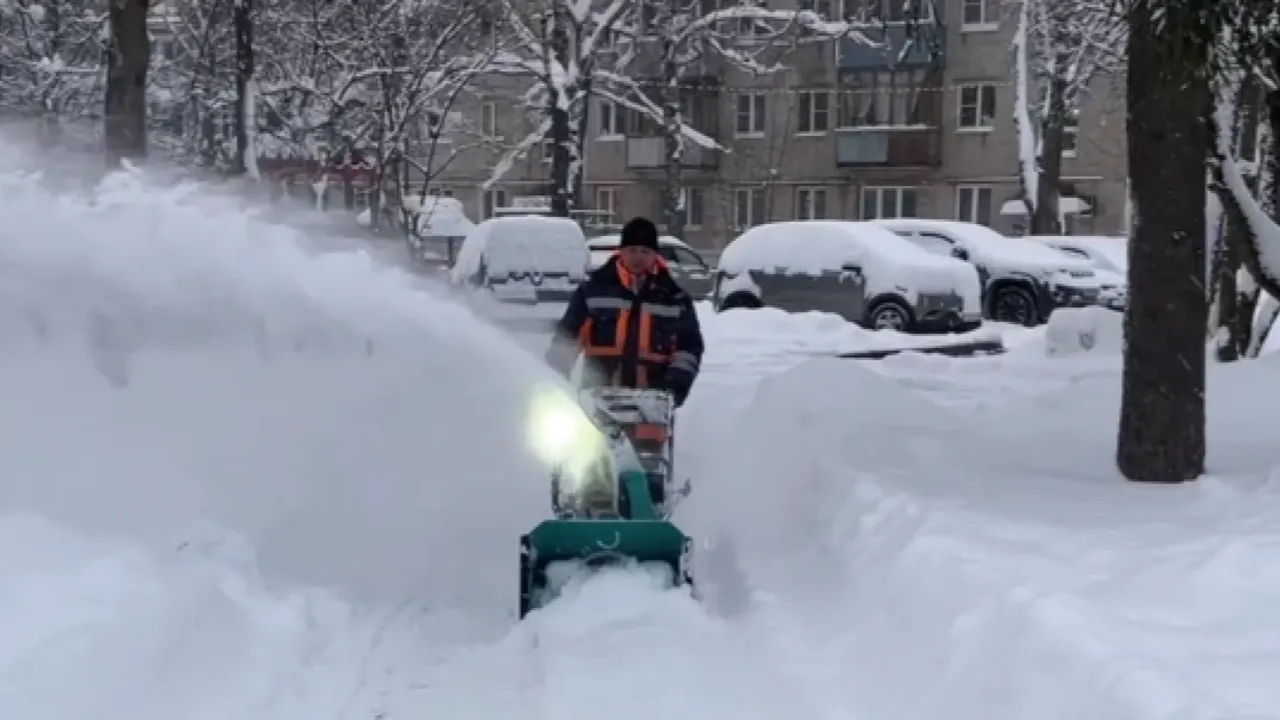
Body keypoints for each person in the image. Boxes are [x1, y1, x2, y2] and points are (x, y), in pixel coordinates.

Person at [546, 216, 704, 408]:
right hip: (598, 400)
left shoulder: (675, 299)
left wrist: (674, 386)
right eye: (632, 250)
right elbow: (568, 338)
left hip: (653, 403)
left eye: (645, 251)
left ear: (655, 255)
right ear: (620, 251)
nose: (638, 257)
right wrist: (555, 379)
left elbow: (688, 348)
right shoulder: (593, 291)